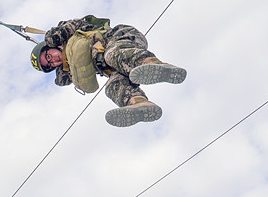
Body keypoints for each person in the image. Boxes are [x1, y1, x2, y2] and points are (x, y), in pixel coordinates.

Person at [30, 15, 186, 128]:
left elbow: (70, 26)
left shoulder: (71, 33)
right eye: (49, 64)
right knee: (113, 85)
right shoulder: (69, 68)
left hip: (119, 38)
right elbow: (63, 80)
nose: (53, 60)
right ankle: (139, 104)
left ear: (52, 46)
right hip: (117, 67)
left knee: (111, 55)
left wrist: (51, 38)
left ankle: (154, 64)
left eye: (49, 55)